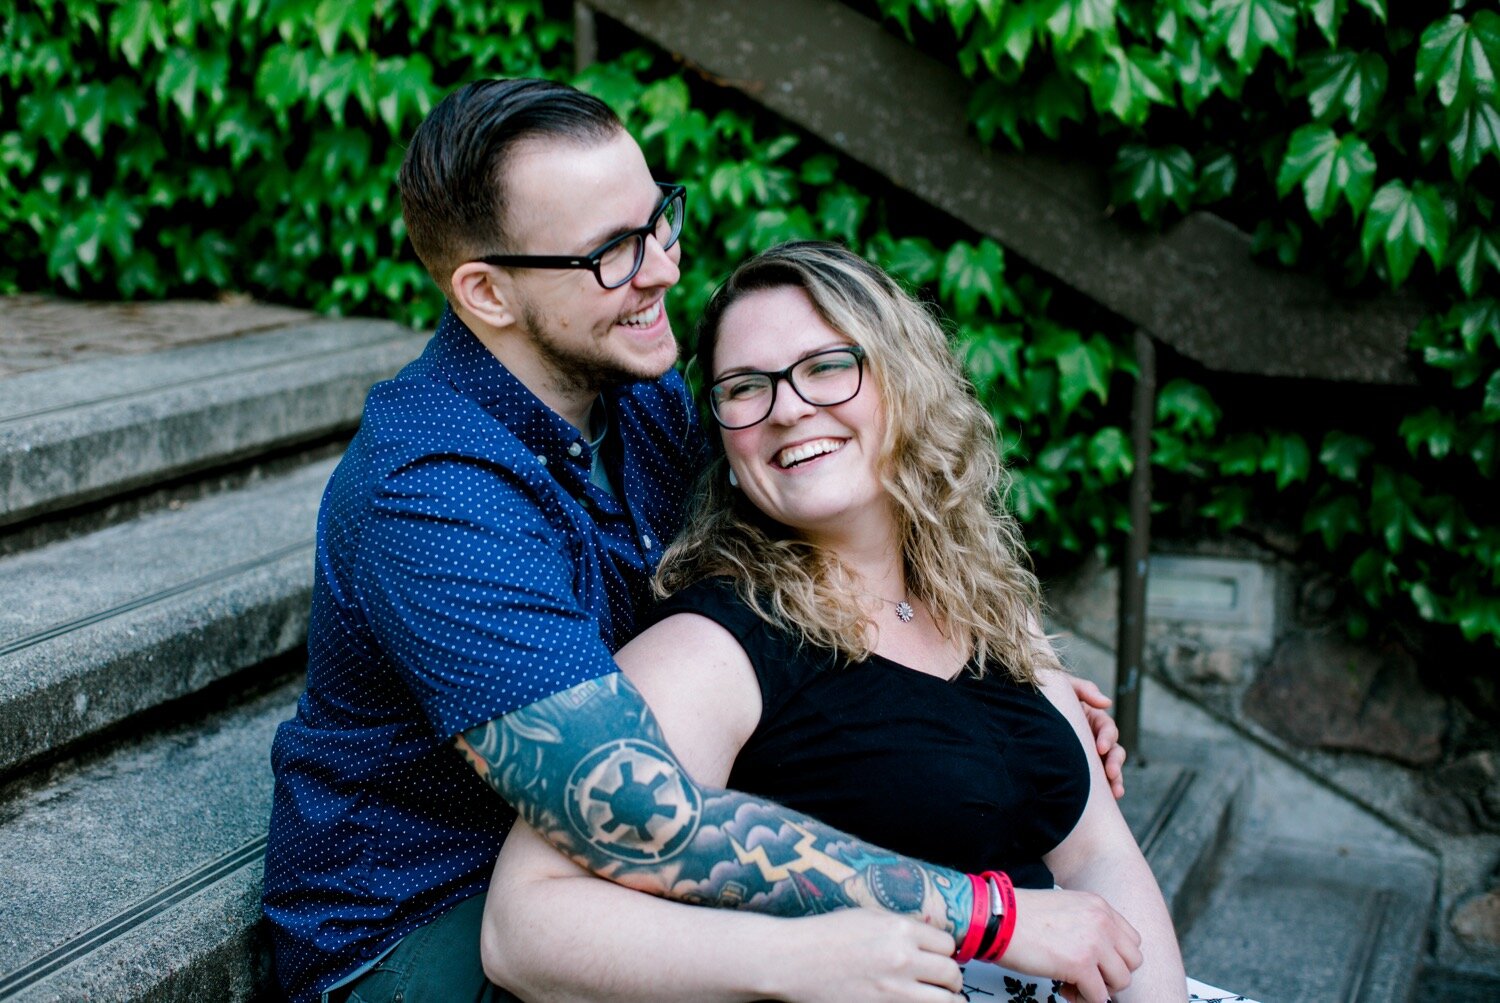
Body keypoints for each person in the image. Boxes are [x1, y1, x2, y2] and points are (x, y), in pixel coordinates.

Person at [262, 79, 1129, 1003]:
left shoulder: (638, 398)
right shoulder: (429, 494)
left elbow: (798, 584)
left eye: (658, 221)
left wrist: (982, 701)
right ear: (485, 290)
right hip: (430, 920)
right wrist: (986, 911)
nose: (664, 269)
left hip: (614, 857)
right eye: (611, 253)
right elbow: (629, 812)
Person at [481, 242, 1193, 1003]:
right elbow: (523, 929)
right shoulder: (715, 646)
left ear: (905, 379)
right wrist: (791, 954)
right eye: (746, 387)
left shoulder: (984, 599)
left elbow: (1098, 858)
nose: (788, 408)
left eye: (826, 366)